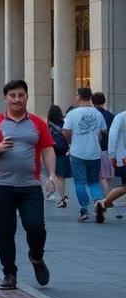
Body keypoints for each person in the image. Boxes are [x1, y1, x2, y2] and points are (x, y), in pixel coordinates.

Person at [0, 79, 57, 290]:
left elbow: (48, 149)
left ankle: (36, 257)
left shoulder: (38, 123)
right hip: (0, 185)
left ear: (27, 97)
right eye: (12, 95)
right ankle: (9, 273)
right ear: (5, 98)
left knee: (36, 227)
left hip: (30, 185)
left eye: (21, 95)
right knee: (5, 230)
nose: (17, 99)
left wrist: (52, 175)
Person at [62, 88, 107, 222]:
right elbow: (104, 131)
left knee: (80, 182)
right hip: (94, 152)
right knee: (94, 181)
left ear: (79, 96)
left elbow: (65, 132)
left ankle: (84, 210)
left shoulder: (72, 114)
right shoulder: (98, 114)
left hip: (77, 152)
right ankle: (99, 201)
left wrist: (71, 142)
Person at [95, 108, 126, 222]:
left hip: (123, 157)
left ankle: (103, 204)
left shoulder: (120, 117)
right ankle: (104, 203)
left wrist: (112, 155)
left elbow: (112, 136)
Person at [47, 105, 72, 207]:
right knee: (61, 176)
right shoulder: (64, 123)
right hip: (64, 151)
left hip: (53, 151)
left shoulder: (49, 125)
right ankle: (50, 191)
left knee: (58, 176)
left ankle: (62, 198)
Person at [92, 92, 115, 196]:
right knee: (105, 176)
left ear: (93, 102)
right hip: (107, 149)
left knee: (101, 177)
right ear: (104, 101)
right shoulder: (111, 116)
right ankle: (107, 196)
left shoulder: (93, 115)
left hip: (94, 149)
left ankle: (106, 198)